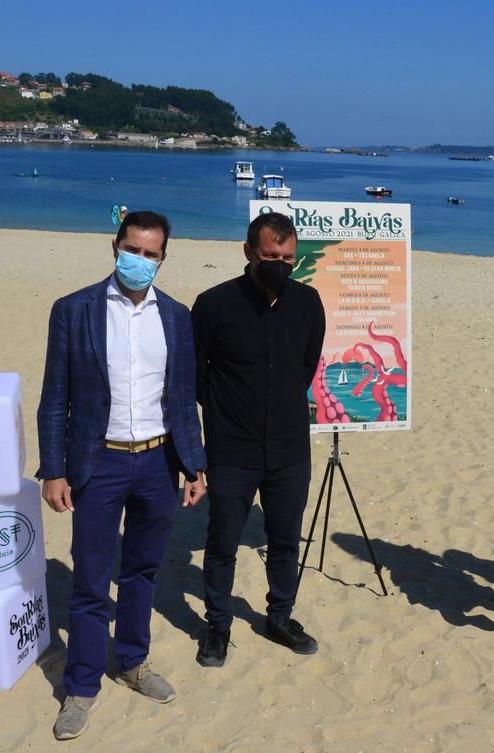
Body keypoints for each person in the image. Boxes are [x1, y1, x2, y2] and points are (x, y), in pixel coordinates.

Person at [36, 210, 207, 740]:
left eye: (151, 254)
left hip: (158, 461)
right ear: (115, 247)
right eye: (133, 249)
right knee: (90, 580)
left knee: (141, 571)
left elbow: (182, 398)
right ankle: (82, 685)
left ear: (162, 258)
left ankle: (132, 661)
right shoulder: (75, 309)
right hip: (99, 462)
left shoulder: (176, 316)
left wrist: (194, 463)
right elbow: (54, 397)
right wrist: (54, 469)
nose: (141, 260)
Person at [192, 212, 326, 666]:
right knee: (223, 540)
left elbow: (306, 367)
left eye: (288, 258)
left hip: (289, 448)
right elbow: (197, 377)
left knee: (286, 538)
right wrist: (230, 412)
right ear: (249, 252)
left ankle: (280, 616)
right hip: (232, 448)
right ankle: (217, 625)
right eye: (271, 256)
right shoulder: (213, 304)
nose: (280, 265)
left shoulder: (308, 303)